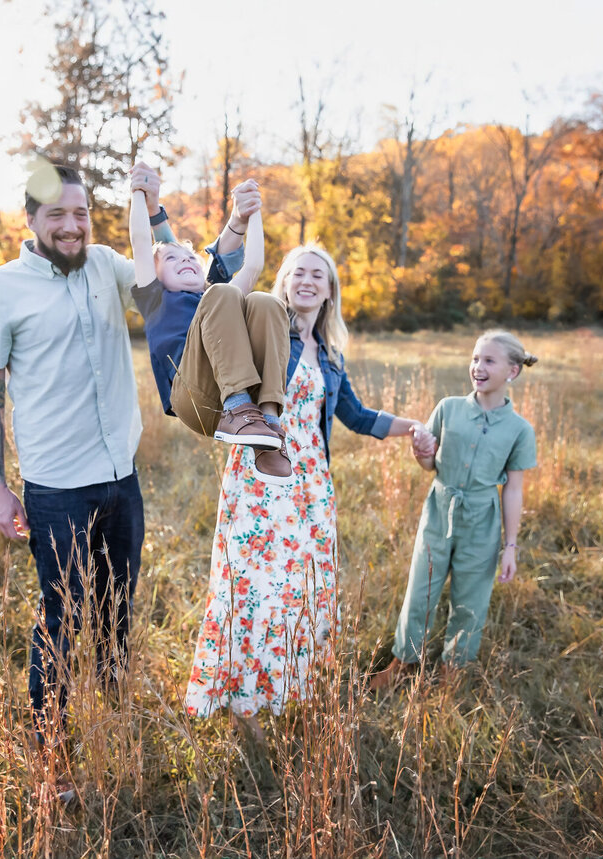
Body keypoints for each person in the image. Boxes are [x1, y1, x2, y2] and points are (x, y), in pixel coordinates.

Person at [0, 158, 244, 743]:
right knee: (60, 621)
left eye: (81, 213)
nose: (72, 226)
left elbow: (181, 273)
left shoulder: (106, 266)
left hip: (122, 478)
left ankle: (115, 722)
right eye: (57, 215)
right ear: (30, 218)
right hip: (56, 488)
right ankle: (52, 751)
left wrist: (155, 208)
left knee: (116, 612)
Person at [183, 244, 430, 729]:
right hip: (260, 475)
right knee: (252, 585)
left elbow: (356, 416)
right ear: (285, 281)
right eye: (299, 272)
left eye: (318, 274)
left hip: (312, 485)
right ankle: (242, 708)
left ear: (330, 290)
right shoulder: (266, 329)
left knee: (300, 590)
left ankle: (285, 690)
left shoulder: (331, 355)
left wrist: (413, 426)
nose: (308, 280)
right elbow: (222, 320)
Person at [370, 330, 538, 690]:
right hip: (439, 508)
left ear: (512, 371)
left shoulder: (519, 430)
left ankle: (453, 673)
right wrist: (423, 453)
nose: (478, 367)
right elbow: (429, 464)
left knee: (470, 599)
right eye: (475, 358)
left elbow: (513, 490)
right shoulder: (448, 408)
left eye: (489, 360)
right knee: (420, 591)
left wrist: (510, 546)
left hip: (483, 518)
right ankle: (403, 662)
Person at [129, 177, 292, 484]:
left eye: (190, 257)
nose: (186, 260)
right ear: (156, 274)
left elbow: (254, 264)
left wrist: (253, 212)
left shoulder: (215, 296)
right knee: (223, 292)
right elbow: (140, 239)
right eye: (171, 258)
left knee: (265, 303)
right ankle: (237, 408)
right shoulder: (156, 298)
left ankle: (269, 425)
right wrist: (138, 193)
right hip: (193, 399)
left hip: (240, 405)